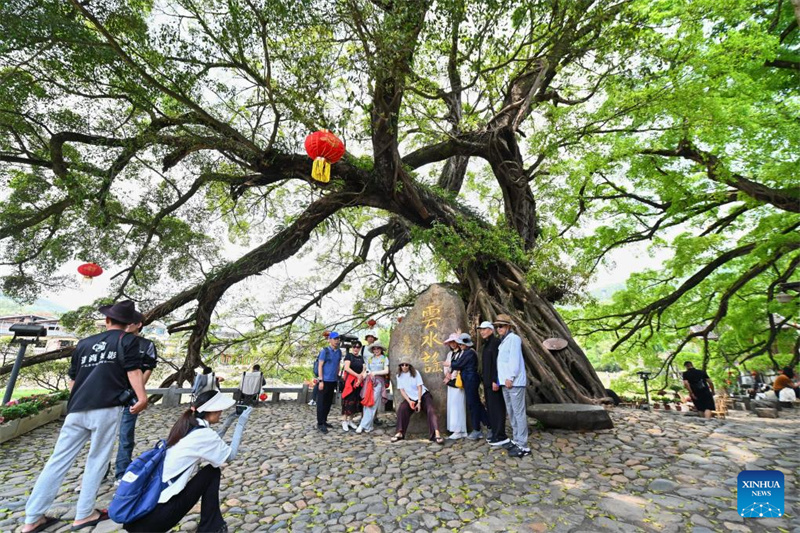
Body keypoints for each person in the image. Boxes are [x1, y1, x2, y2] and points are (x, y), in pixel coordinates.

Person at [22, 300, 148, 533]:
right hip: (106, 408)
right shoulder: (129, 341)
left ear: (107, 320)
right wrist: (142, 398)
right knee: (97, 459)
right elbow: (133, 370)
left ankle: (32, 519)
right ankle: (83, 514)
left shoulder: (84, 343)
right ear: (130, 324)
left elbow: (74, 379)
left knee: (57, 461)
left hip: (77, 409)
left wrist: (77, 401)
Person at [123, 390, 252, 533]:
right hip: (156, 518)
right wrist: (241, 423)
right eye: (220, 409)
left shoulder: (187, 426)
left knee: (209, 472)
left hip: (141, 516)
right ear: (212, 410)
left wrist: (229, 420)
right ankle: (211, 528)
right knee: (211, 472)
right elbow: (230, 455)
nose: (221, 412)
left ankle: (212, 527)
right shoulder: (203, 434)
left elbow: (213, 442)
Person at [114, 322, 159, 484]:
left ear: (139, 324)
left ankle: (121, 472)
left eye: (131, 321)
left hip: (131, 395)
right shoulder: (116, 340)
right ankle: (99, 472)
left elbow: (148, 367)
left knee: (126, 435)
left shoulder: (146, 345)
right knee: (103, 436)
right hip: (110, 393)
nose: (126, 324)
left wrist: (138, 390)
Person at [494, 314, 531, 458]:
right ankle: (516, 440)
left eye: (501, 326)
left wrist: (511, 377)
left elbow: (514, 359)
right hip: (505, 382)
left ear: (508, 327)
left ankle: (523, 445)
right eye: (497, 326)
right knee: (511, 412)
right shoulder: (503, 341)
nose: (499, 329)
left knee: (518, 413)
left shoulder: (514, 339)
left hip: (514, 382)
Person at [391, 362, 444, 444]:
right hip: (411, 398)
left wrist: (419, 402)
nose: (404, 367)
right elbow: (402, 390)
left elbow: (419, 387)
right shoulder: (399, 376)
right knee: (402, 408)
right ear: (400, 366)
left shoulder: (415, 373)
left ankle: (436, 433)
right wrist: (409, 401)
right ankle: (400, 432)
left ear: (409, 366)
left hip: (423, 395)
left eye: (406, 365)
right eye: (402, 365)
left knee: (431, 409)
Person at [451, 333, 490, 440]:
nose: (460, 345)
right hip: (469, 380)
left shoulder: (469, 353)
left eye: (461, 343)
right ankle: (486, 425)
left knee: (473, 405)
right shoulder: (467, 352)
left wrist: (451, 362)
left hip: (471, 380)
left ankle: (479, 428)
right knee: (475, 403)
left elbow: (457, 364)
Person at [478, 321, 509, 446]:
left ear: (491, 330)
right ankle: (495, 433)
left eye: (484, 329)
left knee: (497, 408)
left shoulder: (496, 343)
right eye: (480, 330)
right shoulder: (486, 345)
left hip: (494, 383)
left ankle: (500, 434)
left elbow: (498, 364)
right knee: (490, 408)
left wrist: (496, 380)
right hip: (486, 383)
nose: (482, 332)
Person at [356, 341, 389, 433]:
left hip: (378, 383)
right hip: (368, 383)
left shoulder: (384, 359)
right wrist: (360, 379)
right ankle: (368, 426)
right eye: (374, 348)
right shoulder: (370, 359)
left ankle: (362, 425)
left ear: (381, 349)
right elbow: (366, 371)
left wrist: (375, 373)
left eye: (378, 348)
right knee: (367, 403)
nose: (376, 350)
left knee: (373, 403)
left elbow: (386, 371)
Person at [442, 333, 467, 440]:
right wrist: (447, 374)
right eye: (451, 342)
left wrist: (451, 375)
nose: (452, 344)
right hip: (450, 383)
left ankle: (460, 430)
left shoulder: (462, 353)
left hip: (458, 382)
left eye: (454, 341)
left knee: (458, 405)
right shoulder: (449, 354)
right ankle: (453, 428)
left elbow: (459, 367)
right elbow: (446, 366)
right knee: (452, 405)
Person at [316, 332, 342, 433]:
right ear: (330, 340)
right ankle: (320, 423)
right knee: (321, 403)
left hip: (333, 380)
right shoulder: (325, 351)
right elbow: (320, 366)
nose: (337, 341)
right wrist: (321, 380)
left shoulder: (339, 352)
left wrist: (338, 376)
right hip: (324, 380)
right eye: (335, 339)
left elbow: (338, 364)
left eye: (338, 339)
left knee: (328, 402)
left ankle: (325, 420)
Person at [340, 340, 366, 431]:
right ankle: (344, 420)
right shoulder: (349, 356)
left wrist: (360, 377)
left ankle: (350, 420)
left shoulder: (361, 357)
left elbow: (364, 368)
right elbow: (347, 368)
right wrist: (357, 375)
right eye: (354, 346)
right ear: (352, 347)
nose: (356, 348)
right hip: (350, 382)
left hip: (358, 382)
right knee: (348, 400)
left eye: (358, 347)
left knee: (355, 401)